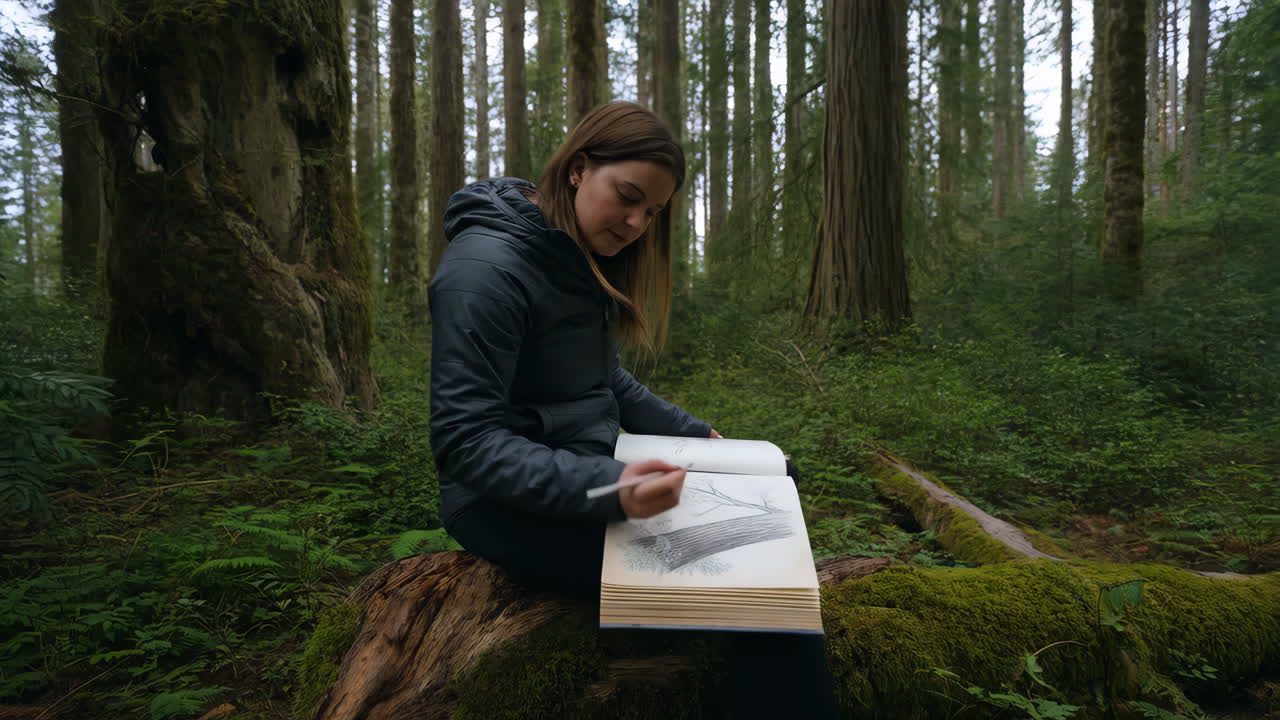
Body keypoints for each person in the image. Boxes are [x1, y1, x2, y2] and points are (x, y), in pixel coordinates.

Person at [429, 101, 836, 719]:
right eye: (627, 196)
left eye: (653, 211)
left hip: (590, 470)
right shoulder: (487, 271)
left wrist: (698, 436)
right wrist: (608, 486)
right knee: (761, 596)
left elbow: (606, 381)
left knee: (775, 483)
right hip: (501, 505)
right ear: (578, 169)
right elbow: (465, 442)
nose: (637, 222)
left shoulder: (570, 252)